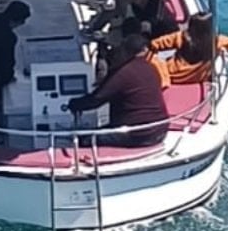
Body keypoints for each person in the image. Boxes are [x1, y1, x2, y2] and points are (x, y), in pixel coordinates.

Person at [68, 19, 169, 147]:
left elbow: (96, 100)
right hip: (160, 129)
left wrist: (74, 104)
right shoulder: (150, 67)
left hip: (137, 134)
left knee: (85, 139)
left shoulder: (123, 73)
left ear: (126, 52)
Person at [147, 12, 228, 89]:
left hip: (172, 75)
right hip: (196, 78)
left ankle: (164, 81)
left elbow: (155, 44)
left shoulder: (181, 37)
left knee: (152, 58)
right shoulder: (216, 42)